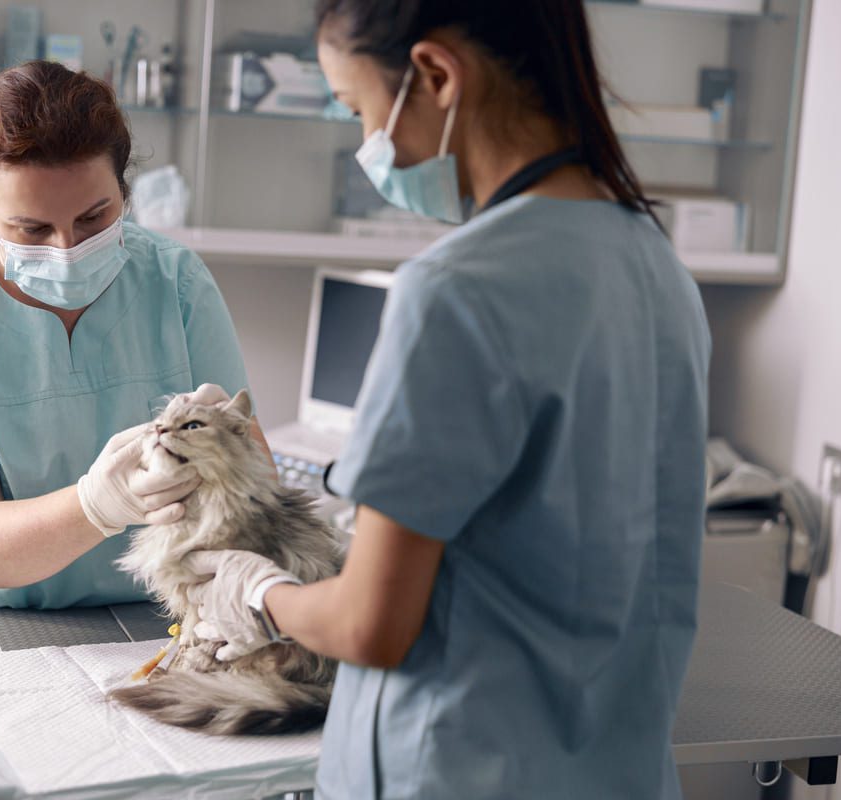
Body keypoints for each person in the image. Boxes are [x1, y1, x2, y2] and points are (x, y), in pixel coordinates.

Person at [183, 2, 711, 798]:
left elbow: (371, 625)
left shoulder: (458, 289)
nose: (368, 142)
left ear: (434, 75)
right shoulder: (658, 267)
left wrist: (258, 594)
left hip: (461, 769)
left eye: (358, 109)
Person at [0, 61, 265, 611]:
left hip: (136, 613)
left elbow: (252, 481)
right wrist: (96, 505)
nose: (67, 248)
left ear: (123, 188)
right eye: (32, 228)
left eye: (94, 217)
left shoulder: (176, 282)